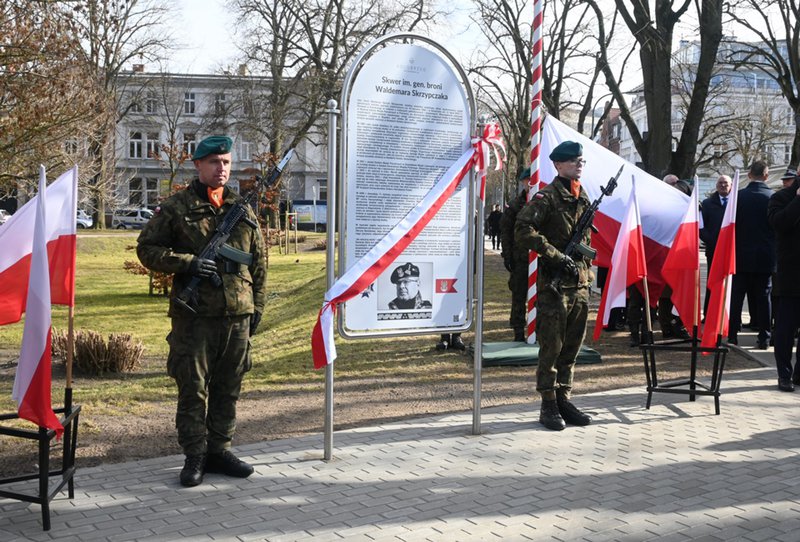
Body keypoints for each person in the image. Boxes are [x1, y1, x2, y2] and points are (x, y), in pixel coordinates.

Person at [137, 136, 267, 487]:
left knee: (228, 386)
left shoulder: (242, 209)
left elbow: (258, 263)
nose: (221, 168)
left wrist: (257, 307)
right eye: (214, 162)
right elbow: (147, 249)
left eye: (226, 162)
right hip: (194, 317)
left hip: (237, 315)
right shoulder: (177, 206)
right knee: (193, 389)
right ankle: (195, 454)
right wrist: (189, 263)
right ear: (198, 165)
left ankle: (219, 450)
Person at [514, 140, 594, 431]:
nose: (579, 165)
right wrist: (555, 255)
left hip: (580, 284)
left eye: (581, 161)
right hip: (555, 286)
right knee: (552, 348)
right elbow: (523, 230)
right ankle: (548, 404)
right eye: (573, 161)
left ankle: (564, 399)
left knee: (572, 347)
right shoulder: (546, 198)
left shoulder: (583, 196)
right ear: (558, 165)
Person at [728, 160, 775, 349]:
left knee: (736, 297)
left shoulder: (737, 197)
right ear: (766, 175)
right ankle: (764, 338)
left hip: (740, 255)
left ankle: (732, 335)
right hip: (765, 256)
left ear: (749, 175)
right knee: (764, 298)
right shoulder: (773, 197)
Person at [767, 167, 800, 391]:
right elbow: (779, 223)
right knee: (786, 329)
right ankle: (784, 375)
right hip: (791, 275)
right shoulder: (781, 197)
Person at [658, 174, 691, 340]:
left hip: (684, 256)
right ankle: (666, 326)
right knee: (665, 295)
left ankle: (679, 324)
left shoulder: (691, 208)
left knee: (682, 292)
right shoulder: (661, 207)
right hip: (666, 255)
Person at [500, 179, 529, 342]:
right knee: (519, 296)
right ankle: (518, 331)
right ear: (524, 182)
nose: (531, 184)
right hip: (520, 260)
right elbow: (506, 232)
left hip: (543, 260)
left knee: (543, 298)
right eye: (528, 181)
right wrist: (507, 256)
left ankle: (539, 331)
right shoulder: (514, 206)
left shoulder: (545, 201)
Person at [700, 174, 732, 319]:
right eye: (720, 183)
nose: (723, 185)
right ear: (716, 185)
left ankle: (729, 316)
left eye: (726, 183)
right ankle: (709, 314)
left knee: (731, 283)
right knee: (712, 281)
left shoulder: (736, 203)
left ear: (731, 186)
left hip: (732, 250)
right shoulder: (707, 204)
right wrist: (712, 241)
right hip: (713, 249)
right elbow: (701, 228)